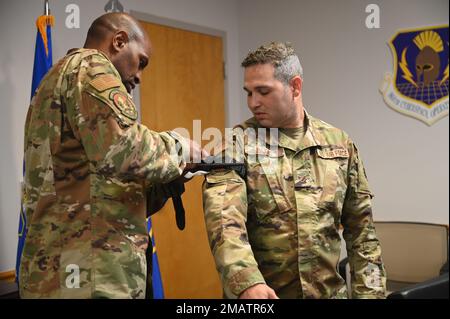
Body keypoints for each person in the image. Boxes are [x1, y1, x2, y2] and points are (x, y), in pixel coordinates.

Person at [19, 12, 205, 299]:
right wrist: (181, 147)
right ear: (119, 41)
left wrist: (171, 179)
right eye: (141, 62)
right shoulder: (91, 67)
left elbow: (101, 190)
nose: (140, 77)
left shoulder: (55, 79)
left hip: (62, 272)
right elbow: (125, 149)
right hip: (88, 277)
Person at [202, 42, 387, 299]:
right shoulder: (234, 145)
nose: (253, 102)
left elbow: (363, 236)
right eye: (249, 92)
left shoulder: (339, 144)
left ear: (295, 86)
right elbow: (224, 224)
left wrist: (372, 295)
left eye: (263, 91)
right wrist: (246, 282)